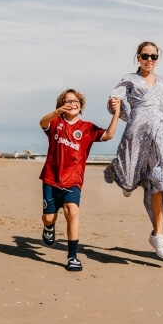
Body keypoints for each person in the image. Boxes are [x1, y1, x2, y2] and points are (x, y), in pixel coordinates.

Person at [104, 41, 163, 259]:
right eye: (145, 56)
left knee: (159, 182)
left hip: (158, 137)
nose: (149, 60)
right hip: (135, 134)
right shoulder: (130, 79)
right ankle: (126, 179)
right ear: (138, 57)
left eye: (153, 56)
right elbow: (117, 97)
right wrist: (115, 102)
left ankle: (158, 236)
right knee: (129, 178)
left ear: (157, 59)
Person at [39, 88, 120, 271]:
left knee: (72, 213)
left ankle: (72, 256)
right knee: (48, 217)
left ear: (80, 105)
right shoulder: (55, 123)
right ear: (62, 105)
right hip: (51, 178)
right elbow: (42, 122)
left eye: (76, 101)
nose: (73, 104)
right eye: (68, 101)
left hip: (73, 180)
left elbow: (108, 135)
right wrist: (57, 112)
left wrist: (117, 113)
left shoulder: (87, 128)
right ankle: (49, 227)